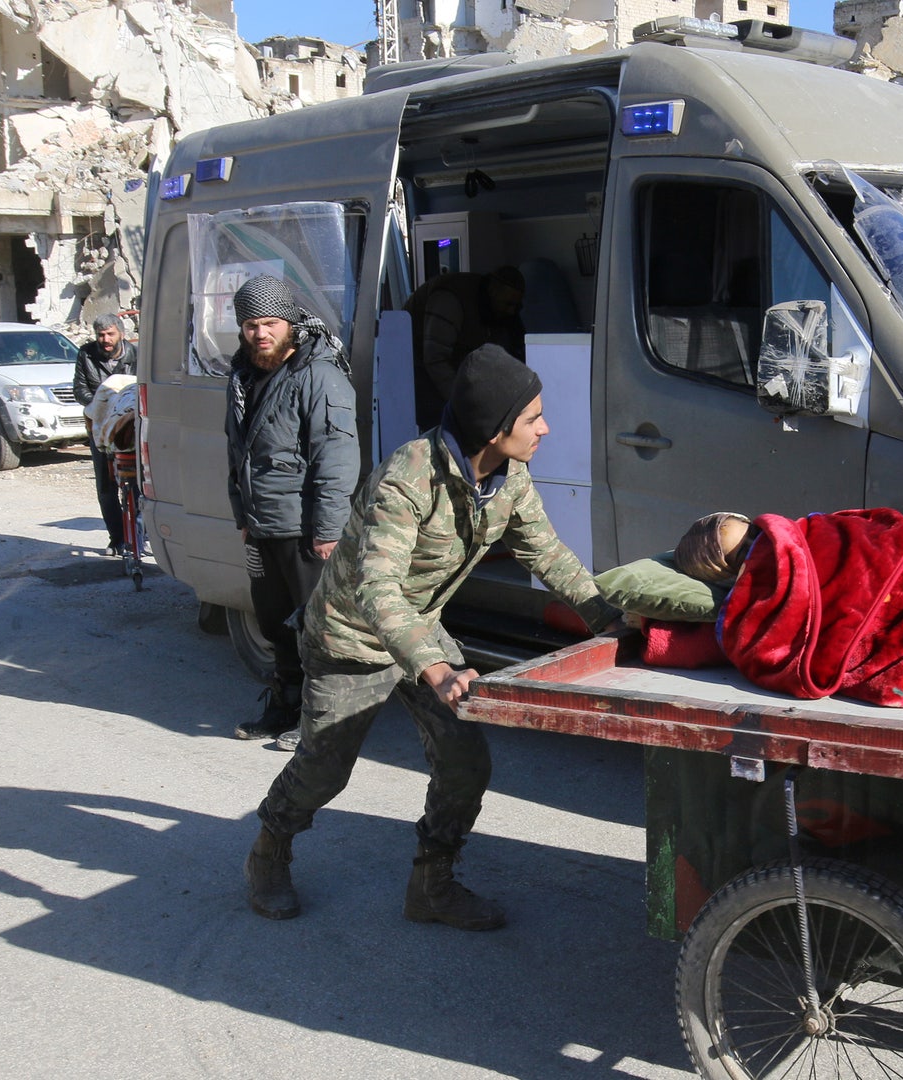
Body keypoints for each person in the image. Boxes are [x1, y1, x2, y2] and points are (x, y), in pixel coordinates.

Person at [242, 345, 621, 928]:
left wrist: (611, 621)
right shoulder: (409, 478)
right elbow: (378, 590)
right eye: (532, 418)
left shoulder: (507, 476)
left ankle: (432, 885)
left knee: (466, 761)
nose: (545, 427)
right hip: (352, 637)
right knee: (323, 771)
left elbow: (545, 552)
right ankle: (270, 848)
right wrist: (434, 666)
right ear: (495, 430)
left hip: (420, 628)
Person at [225, 275, 360, 749]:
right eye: (251, 325)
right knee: (274, 624)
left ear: (290, 324)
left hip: (306, 532)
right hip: (263, 528)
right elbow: (237, 452)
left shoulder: (319, 376)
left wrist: (328, 531)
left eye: (270, 323)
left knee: (317, 629)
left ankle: (322, 719)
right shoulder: (242, 377)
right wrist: (242, 515)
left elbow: (337, 460)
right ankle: (285, 706)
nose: (261, 333)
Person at [404, 266, 526, 426]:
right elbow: (435, 359)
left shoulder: (502, 313)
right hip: (414, 366)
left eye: (516, 306)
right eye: (507, 304)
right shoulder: (450, 300)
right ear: (492, 291)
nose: (511, 311)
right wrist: (463, 403)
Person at [72, 315, 139, 555]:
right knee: (106, 486)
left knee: (138, 481)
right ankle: (117, 538)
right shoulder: (86, 354)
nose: (105, 340)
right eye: (101, 335)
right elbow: (79, 388)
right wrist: (100, 406)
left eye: (110, 334)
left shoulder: (136, 354)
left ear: (120, 332)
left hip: (129, 427)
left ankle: (139, 534)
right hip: (99, 426)